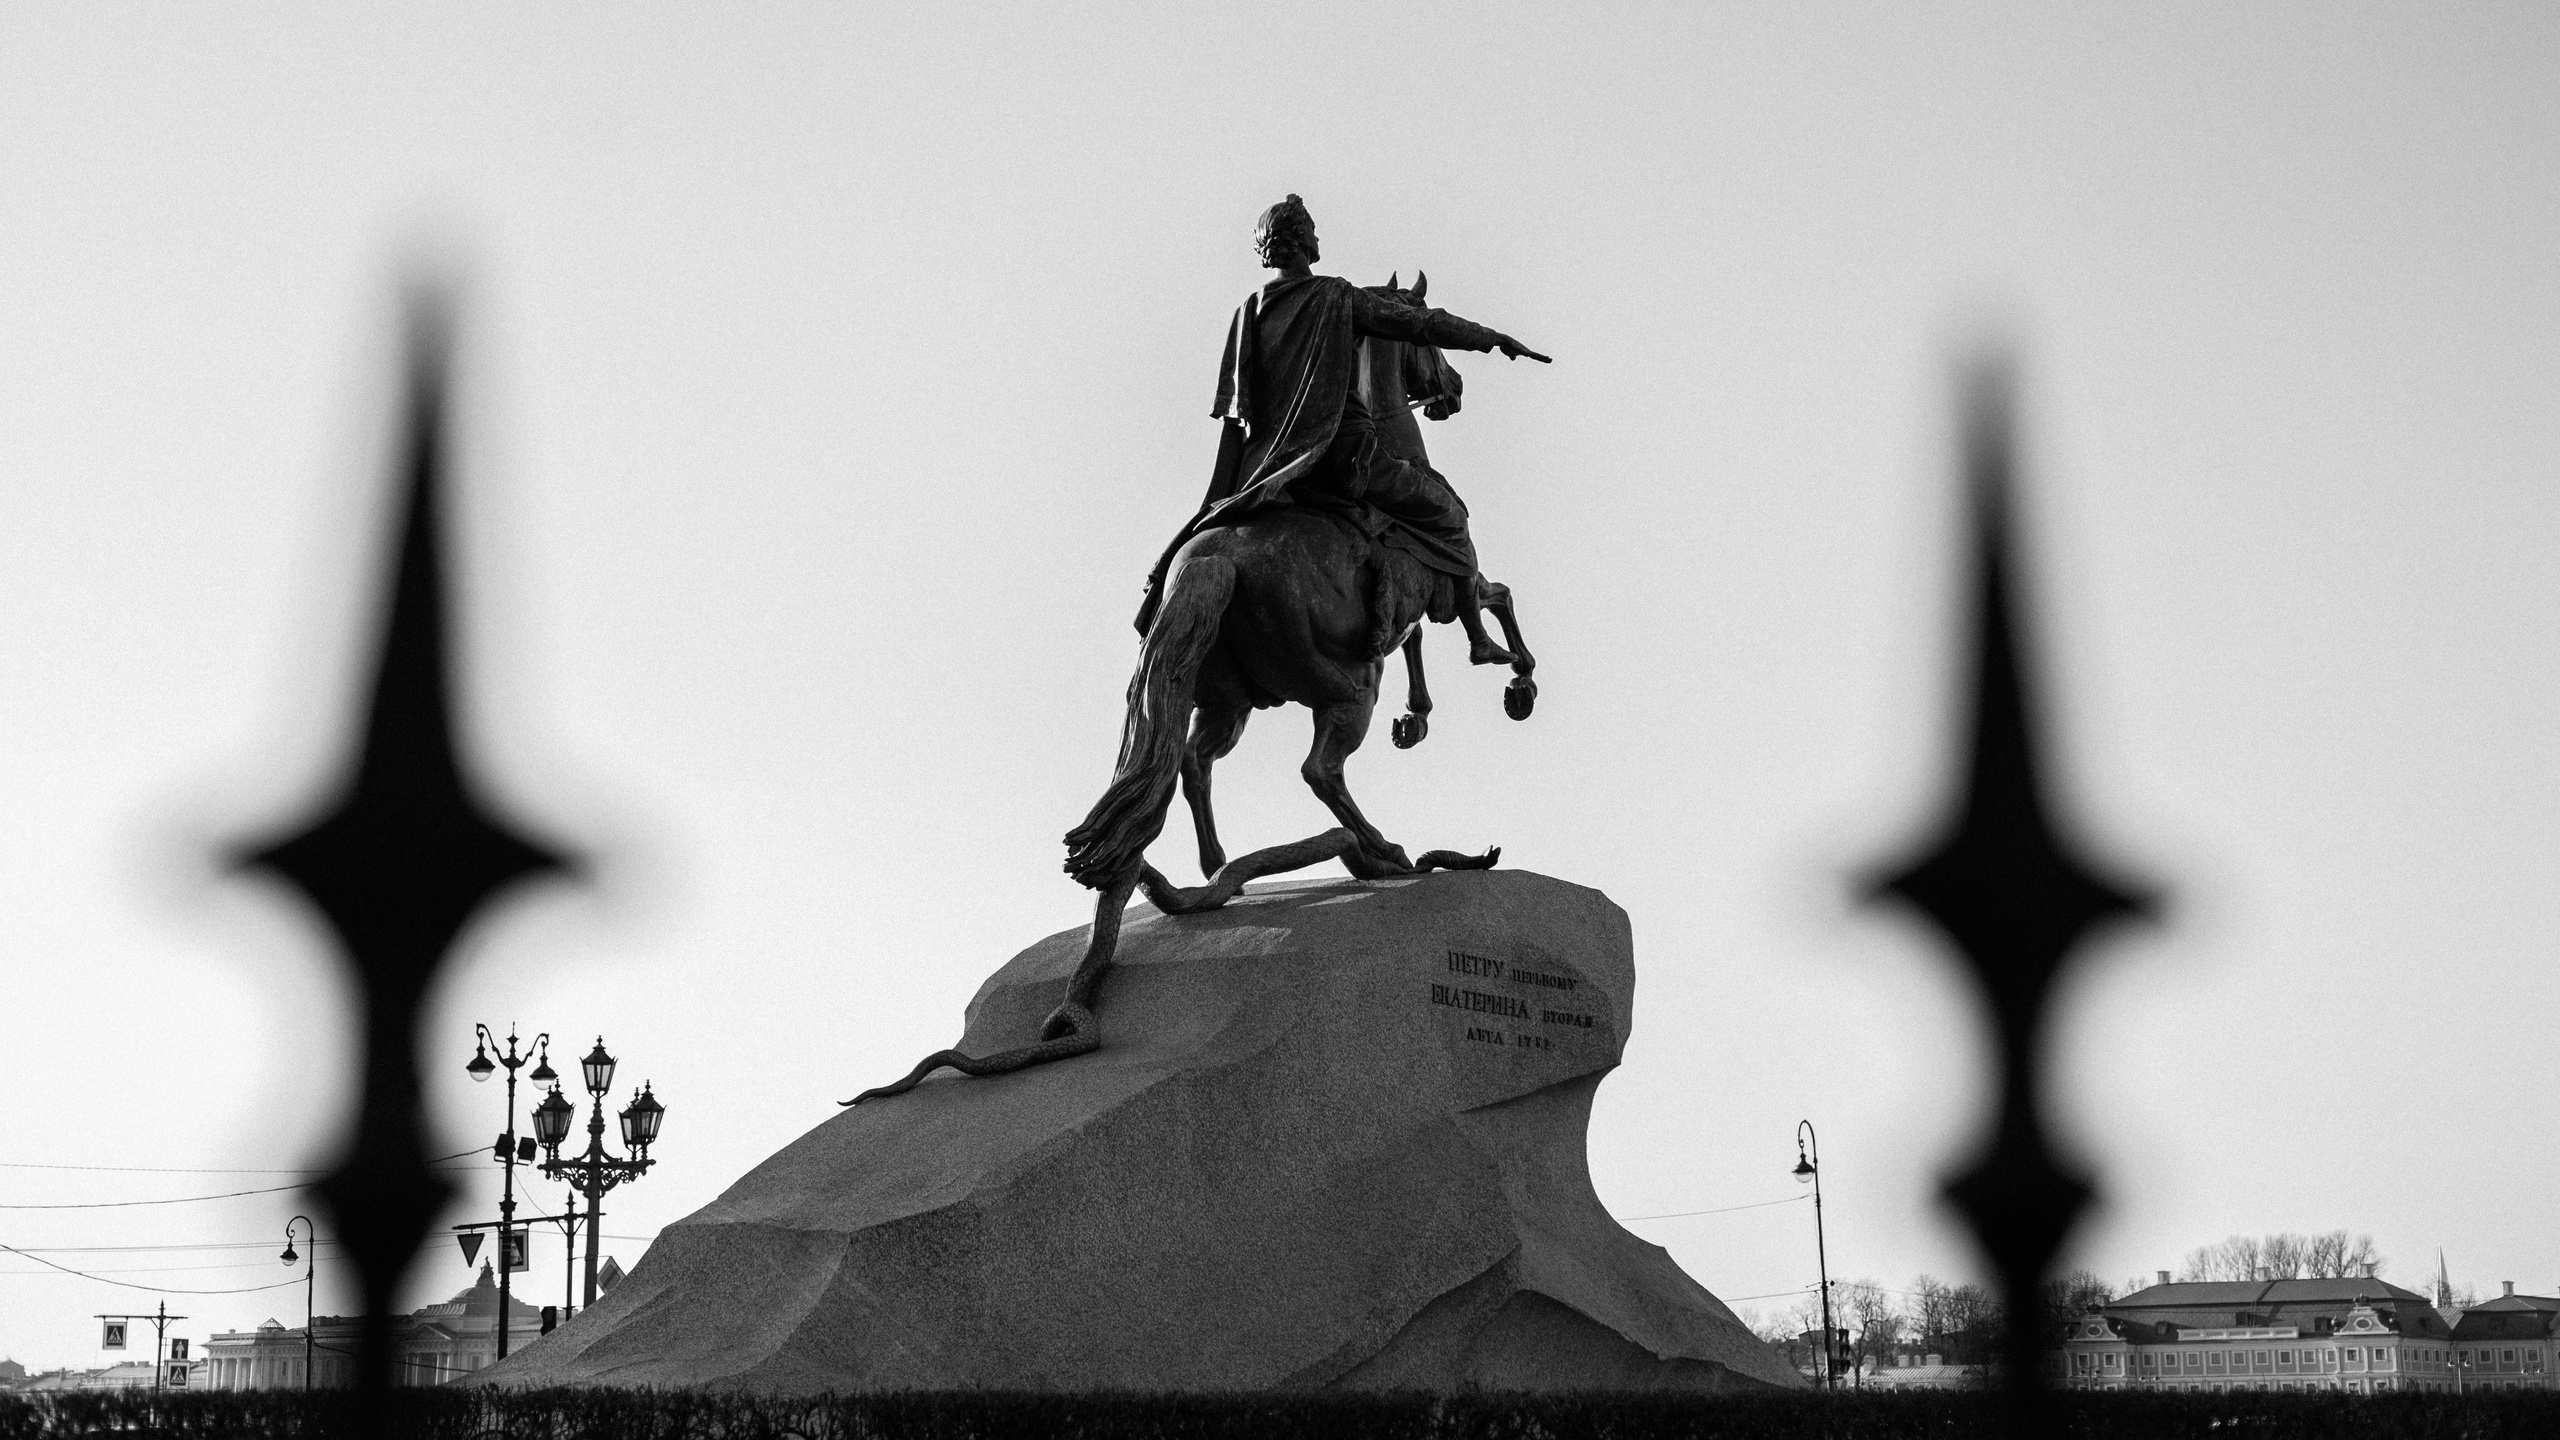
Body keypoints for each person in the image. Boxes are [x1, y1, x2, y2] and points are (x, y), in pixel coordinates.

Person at [1137, 194, 1549, 663]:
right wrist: (1490, 338)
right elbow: (1418, 323)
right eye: (1312, 229)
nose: (1318, 237)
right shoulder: (1336, 296)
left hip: (1267, 472)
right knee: (1449, 514)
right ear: (1297, 242)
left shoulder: (1246, 312)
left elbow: (1234, 419)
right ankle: (1476, 637)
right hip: (1345, 459)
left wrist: (1217, 501)